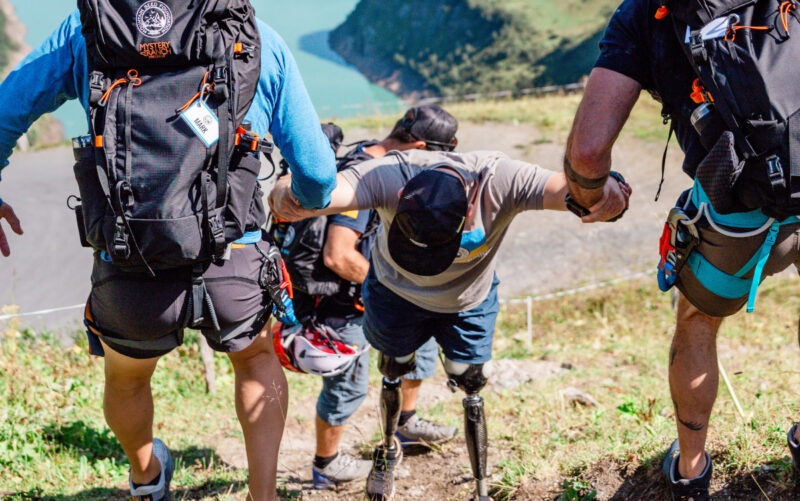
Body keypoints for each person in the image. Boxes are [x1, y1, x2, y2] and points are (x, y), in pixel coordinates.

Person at [0, 7, 336, 501]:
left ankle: (145, 478)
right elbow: (318, 172)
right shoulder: (253, 35)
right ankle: (263, 495)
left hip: (131, 258)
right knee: (256, 357)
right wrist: (298, 200)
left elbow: (9, 108)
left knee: (128, 376)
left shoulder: (89, 29)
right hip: (234, 257)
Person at [269, 142, 629, 499]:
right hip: (395, 292)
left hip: (467, 299)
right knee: (392, 368)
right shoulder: (388, 175)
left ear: (470, 209)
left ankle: (481, 486)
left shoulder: (503, 180)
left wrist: (605, 191)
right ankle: (387, 449)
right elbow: (323, 190)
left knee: (470, 379)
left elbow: (572, 189)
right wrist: (288, 190)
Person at [563, 0, 800, 499]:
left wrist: (591, 197)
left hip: (735, 205)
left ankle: (691, 471)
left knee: (696, 320)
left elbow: (587, 151)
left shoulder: (642, 13)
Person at [283, 109, 461, 489]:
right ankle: (326, 464)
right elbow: (338, 254)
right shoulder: (366, 174)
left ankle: (406, 424)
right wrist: (396, 286)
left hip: (378, 287)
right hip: (343, 303)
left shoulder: (373, 153)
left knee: (420, 347)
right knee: (348, 386)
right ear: (419, 146)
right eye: (435, 156)